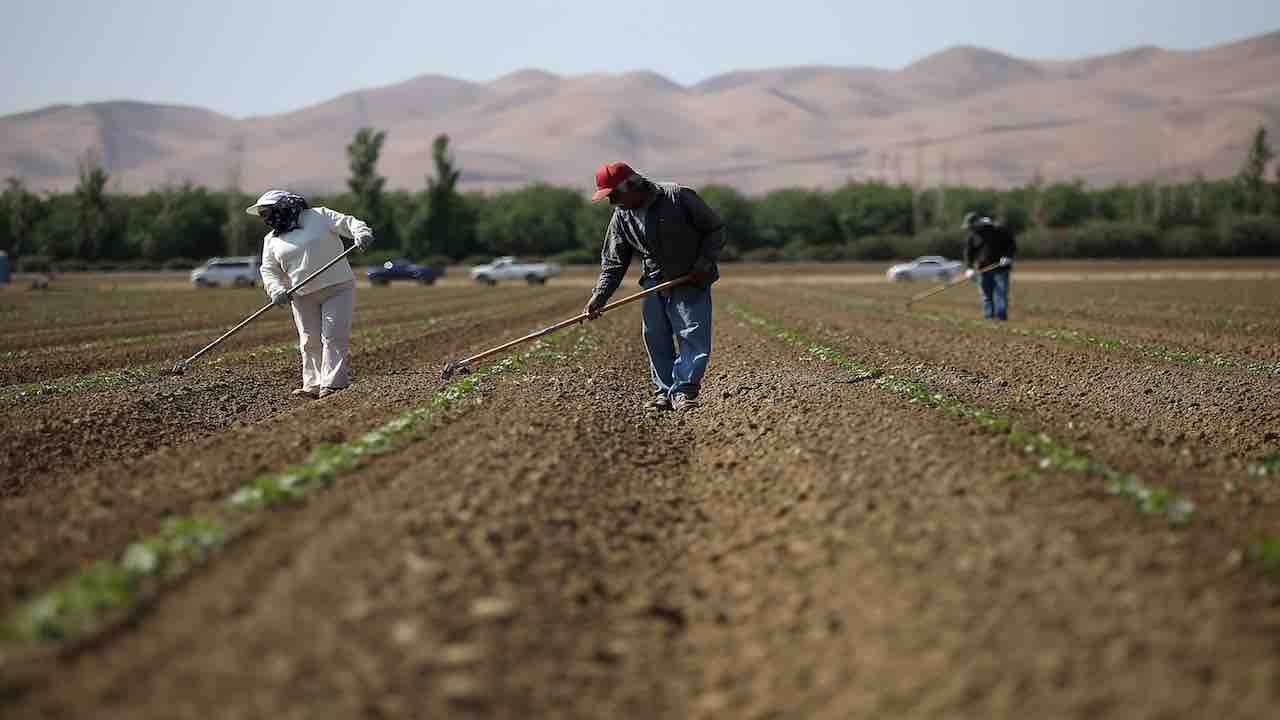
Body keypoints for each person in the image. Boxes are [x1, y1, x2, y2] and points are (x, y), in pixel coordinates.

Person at [584, 162, 725, 411]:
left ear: (631, 185)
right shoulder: (621, 216)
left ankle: (683, 391)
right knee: (655, 337)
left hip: (690, 279)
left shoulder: (678, 197)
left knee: (691, 335)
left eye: (614, 195)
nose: (612, 202)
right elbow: (614, 263)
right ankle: (664, 391)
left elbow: (714, 229)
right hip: (654, 282)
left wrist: (704, 262)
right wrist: (599, 296)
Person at [250, 190, 373, 399]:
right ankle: (313, 385)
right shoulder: (271, 240)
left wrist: (361, 233)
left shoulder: (319, 216)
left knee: (333, 336)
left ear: (283, 207)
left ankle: (333, 384)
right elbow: (269, 270)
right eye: (262, 215)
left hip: (337, 287)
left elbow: (349, 223)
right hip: (301, 293)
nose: (265, 219)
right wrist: (276, 290)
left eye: (266, 213)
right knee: (308, 341)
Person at [962, 211, 1016, 321]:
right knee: (986, 295)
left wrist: (1008, 257)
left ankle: (1000, 318)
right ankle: (989, 318)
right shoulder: (973, 235)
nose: (970, 229)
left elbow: (1011, 245)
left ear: (977, 223)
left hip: (1001, 268)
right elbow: (969, 253)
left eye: (971, 226)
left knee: (1000, 294)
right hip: (983, 269)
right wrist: (969, 268)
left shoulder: (998, 230)